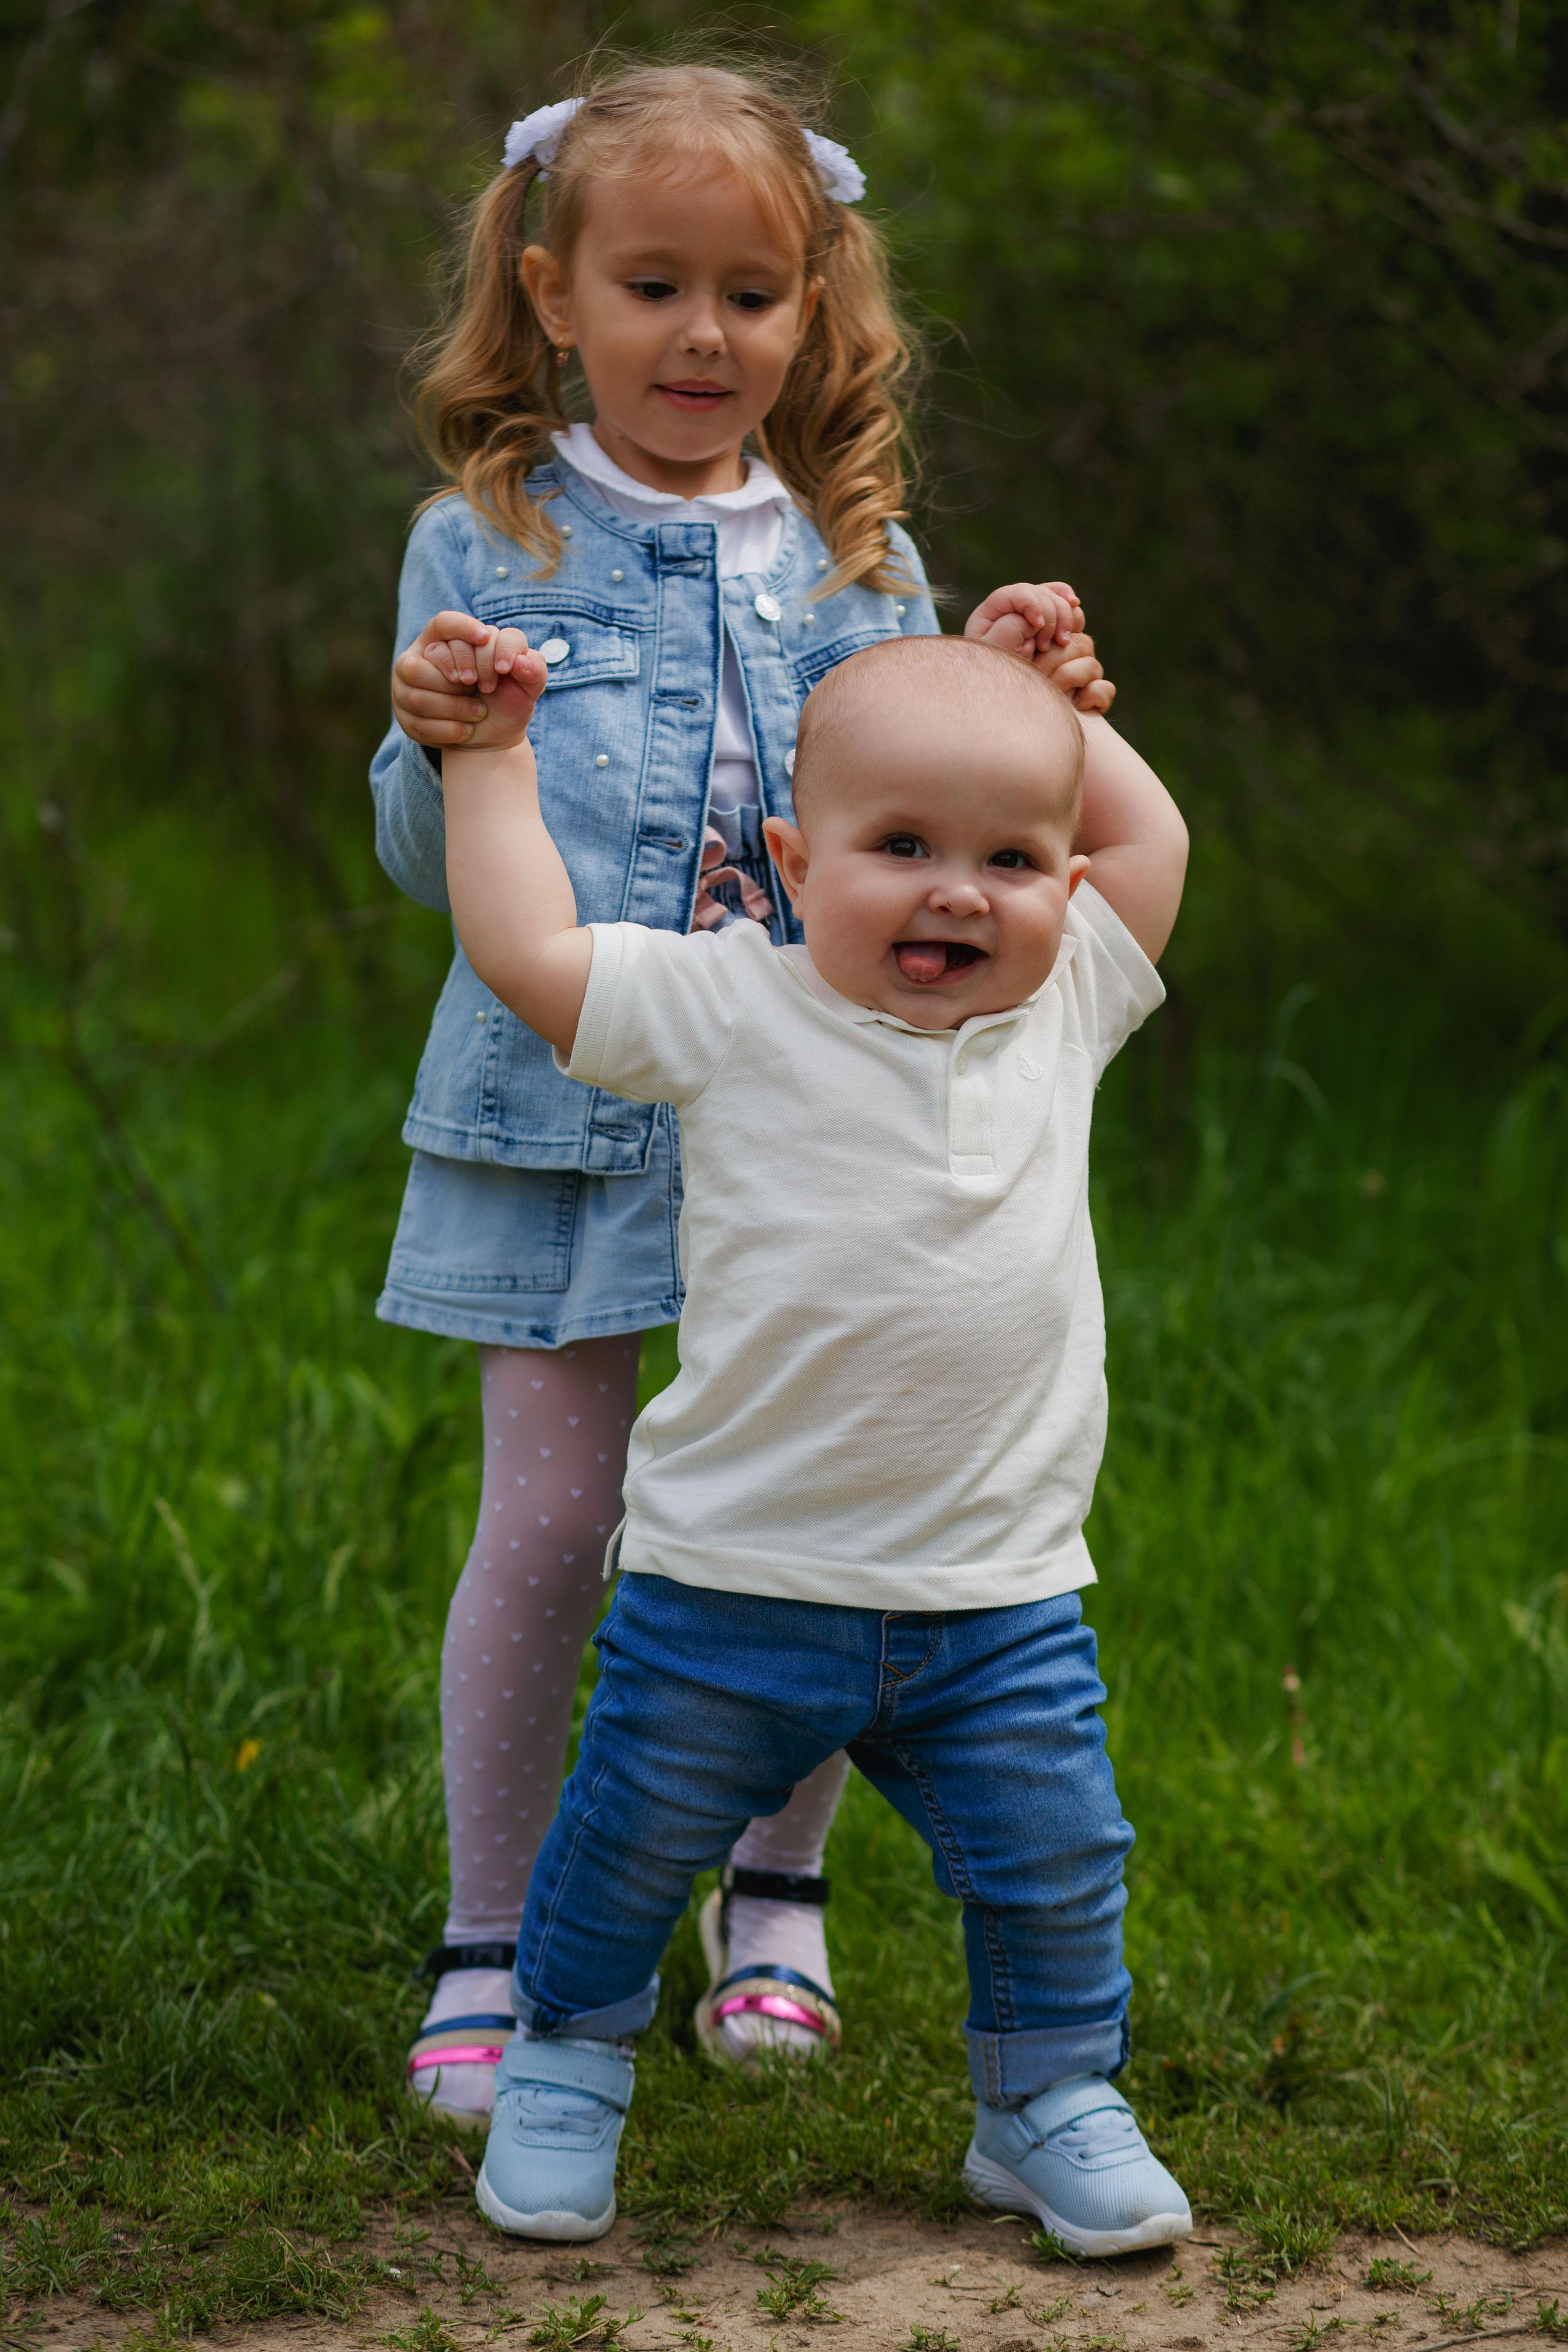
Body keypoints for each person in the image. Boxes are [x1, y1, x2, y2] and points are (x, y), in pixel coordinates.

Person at [370, 58, 1117, 2124]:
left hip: (823, 1125)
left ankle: (773, 1892)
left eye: (755, 293)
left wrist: (1014, 679)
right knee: (555, 1522)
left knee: (819, 1501)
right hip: (559, 1108)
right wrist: (442, 733)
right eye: (654, 284)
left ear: (816, 313)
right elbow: (440, 877)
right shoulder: (483, 534)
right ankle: (495, 1936)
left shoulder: (861, 557)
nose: (706, 336)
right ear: (553, 293)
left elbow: (938, 814)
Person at [434, 622, 1191, 2253]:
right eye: (902, 847)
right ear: (793, 859)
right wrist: (489, 760)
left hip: (997, 1597)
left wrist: (1061, 709)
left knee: (1058, 1867)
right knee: (628, 1845)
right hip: (733, 1586)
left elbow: (1156, 840)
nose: (960, 893)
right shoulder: (728, 1005)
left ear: (1066, 885)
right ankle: (565, 2059)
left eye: (1011, 857)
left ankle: (1047, 2100)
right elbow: (530, 950)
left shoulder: (1062, 1014)